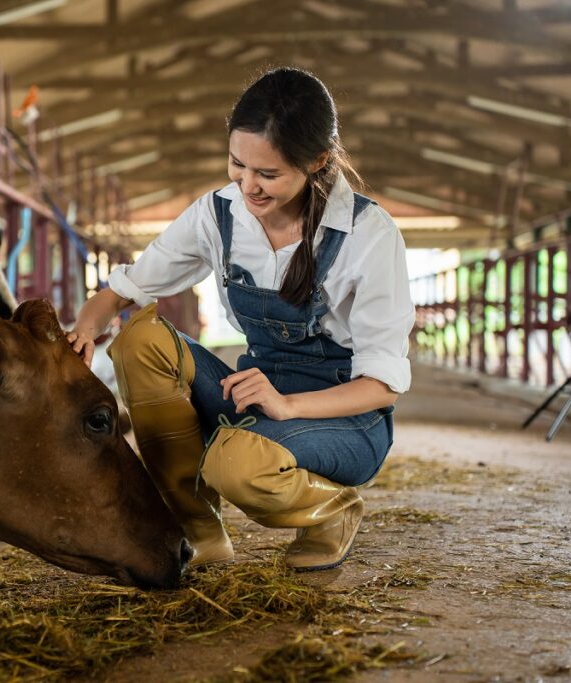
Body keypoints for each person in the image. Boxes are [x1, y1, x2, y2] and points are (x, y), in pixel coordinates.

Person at [66, 67, 414, 571]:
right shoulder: (218, 213)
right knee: (138, 342)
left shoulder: (368, 234)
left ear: (317, 161)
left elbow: (383, 386)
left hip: (343, 416)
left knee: (235, 464)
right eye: (237, 164)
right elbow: (123, 290)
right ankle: (198, 528)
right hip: (256, 392)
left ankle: (331, 510)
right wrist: (83, 328)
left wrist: (288, 404)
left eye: (268, 174)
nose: (247, 185)